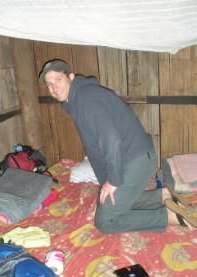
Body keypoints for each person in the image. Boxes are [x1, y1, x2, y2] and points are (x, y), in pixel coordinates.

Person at [39, 59, 197, 233]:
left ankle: (169, 216)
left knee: (105, 221)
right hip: (132, 157)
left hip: (135, 160)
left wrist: (113, 181)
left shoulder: (85, 99)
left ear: (71, 76)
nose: (54, 87)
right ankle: (163, 196)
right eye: (49, 84)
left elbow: (111, 140)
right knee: (106, 199)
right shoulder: (78, 99)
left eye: (58, 79)